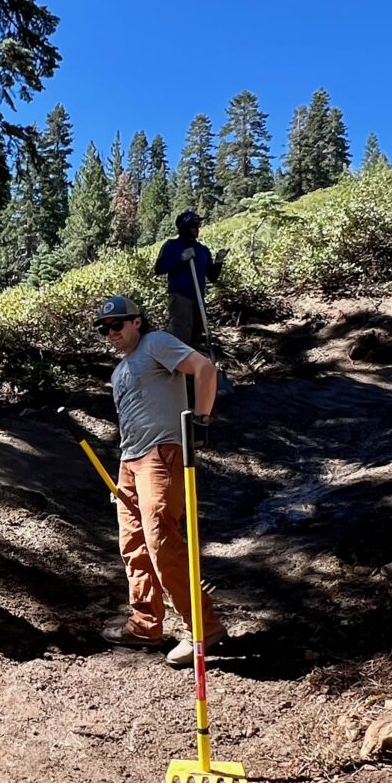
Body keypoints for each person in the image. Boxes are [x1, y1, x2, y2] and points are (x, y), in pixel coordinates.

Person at [93, 296, 225, 669]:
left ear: (137, 322)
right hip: (130, 461)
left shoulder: (156, 343)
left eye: (117, 325)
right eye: (105, 328)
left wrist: (201, 419)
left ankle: (203, 626)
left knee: (160, 539)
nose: (111, 333)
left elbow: (204, 369)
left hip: (160, 455)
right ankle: (146, 624)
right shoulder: (120, 370)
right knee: (133, 544)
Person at [153, 210, 224, 354]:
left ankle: (192, 369)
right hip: (180, 296)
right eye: (194, 225)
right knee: (181, 333)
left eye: (198, 225)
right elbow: (159, 268)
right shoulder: (171, 245)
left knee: (196, 335)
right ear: (184, 227)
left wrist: (219, 262)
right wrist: (181, 258)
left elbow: (212, 276)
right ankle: (176, 370)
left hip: (198, 298)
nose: (197, 229)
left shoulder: (202, 250)